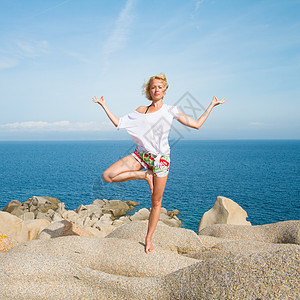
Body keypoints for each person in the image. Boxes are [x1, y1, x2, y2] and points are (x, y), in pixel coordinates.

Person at [92, 73, 226, 254]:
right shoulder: (140, 110)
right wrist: (104, 106)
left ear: (164, 91)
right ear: (149, 90)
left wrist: (211, 106)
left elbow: (196, 125)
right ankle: (144, 175)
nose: (156, 90)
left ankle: (148, 239)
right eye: (153, 87)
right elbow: (119, 122)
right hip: (140, 155)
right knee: (107, 176)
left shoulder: (171, 110)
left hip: (160, 160)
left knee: (156, 202)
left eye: (160, 87)